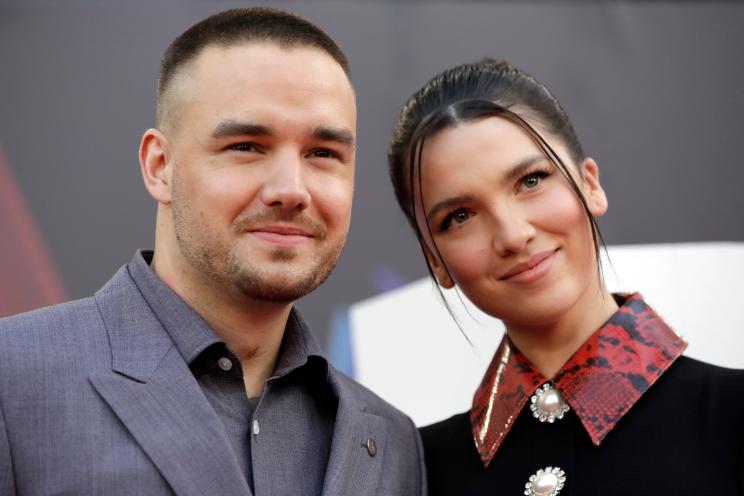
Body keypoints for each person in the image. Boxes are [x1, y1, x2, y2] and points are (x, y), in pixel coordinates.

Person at [0, 8, 426, 495]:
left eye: (323, 154)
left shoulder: (392, 442)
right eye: (247, 146)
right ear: (161, 166)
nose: (291, 189)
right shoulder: (12, 379)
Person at [387, 59, 744, 495]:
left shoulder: (730, 415)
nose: (514, 235)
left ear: (590, 184)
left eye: (531, 180)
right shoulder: (414, 472)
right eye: (460, 216)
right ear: (435, 261)